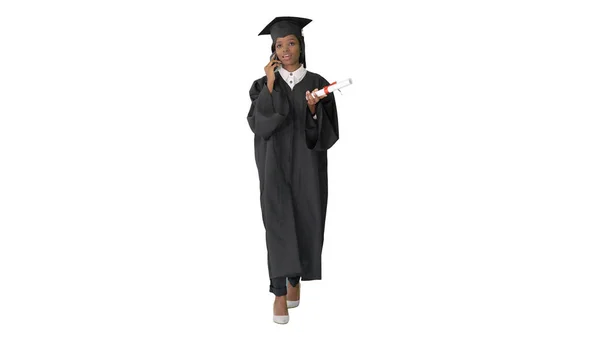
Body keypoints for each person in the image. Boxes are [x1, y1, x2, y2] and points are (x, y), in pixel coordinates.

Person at [247, 16, 340, 324]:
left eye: (291, 43)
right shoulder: (262, 84)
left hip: (306, 165)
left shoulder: (317, 82)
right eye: (279, 45)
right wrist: (271, 86)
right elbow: (259, 126)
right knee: (277, 224)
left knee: (305, 219)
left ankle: (295, 276)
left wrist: (314, 109)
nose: (285, 50)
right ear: (273, 52)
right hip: (273, 164)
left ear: (301, 45)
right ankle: (278, 292)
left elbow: (326, 136)